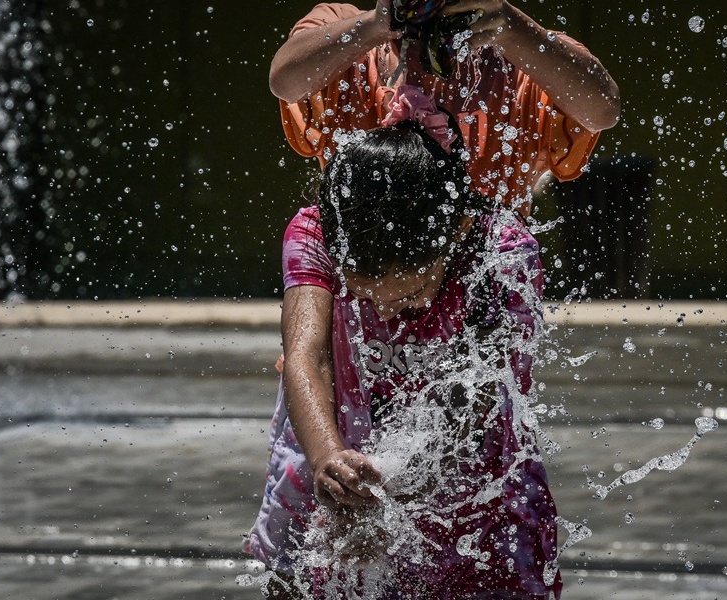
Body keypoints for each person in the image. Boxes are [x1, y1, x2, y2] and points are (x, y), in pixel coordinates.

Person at [247, 87, 562, 599]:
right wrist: (330, 461)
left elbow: (477, 402)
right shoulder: (315, 232)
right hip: (327, 428)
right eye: (368, 295)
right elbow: (309, 355)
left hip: (466, 461)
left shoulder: (501, 254)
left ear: (456, 232)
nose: (391, 314)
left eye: (414, 293)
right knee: (303, 579)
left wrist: (395, 503)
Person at [270, 0, 620, 215]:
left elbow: (602, 111)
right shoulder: (347, 32)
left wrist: (514, 29)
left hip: (479, 269)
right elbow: (285, 82)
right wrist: (375, 25)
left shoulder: (527, 55)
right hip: (364, 266)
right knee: (308, 233)